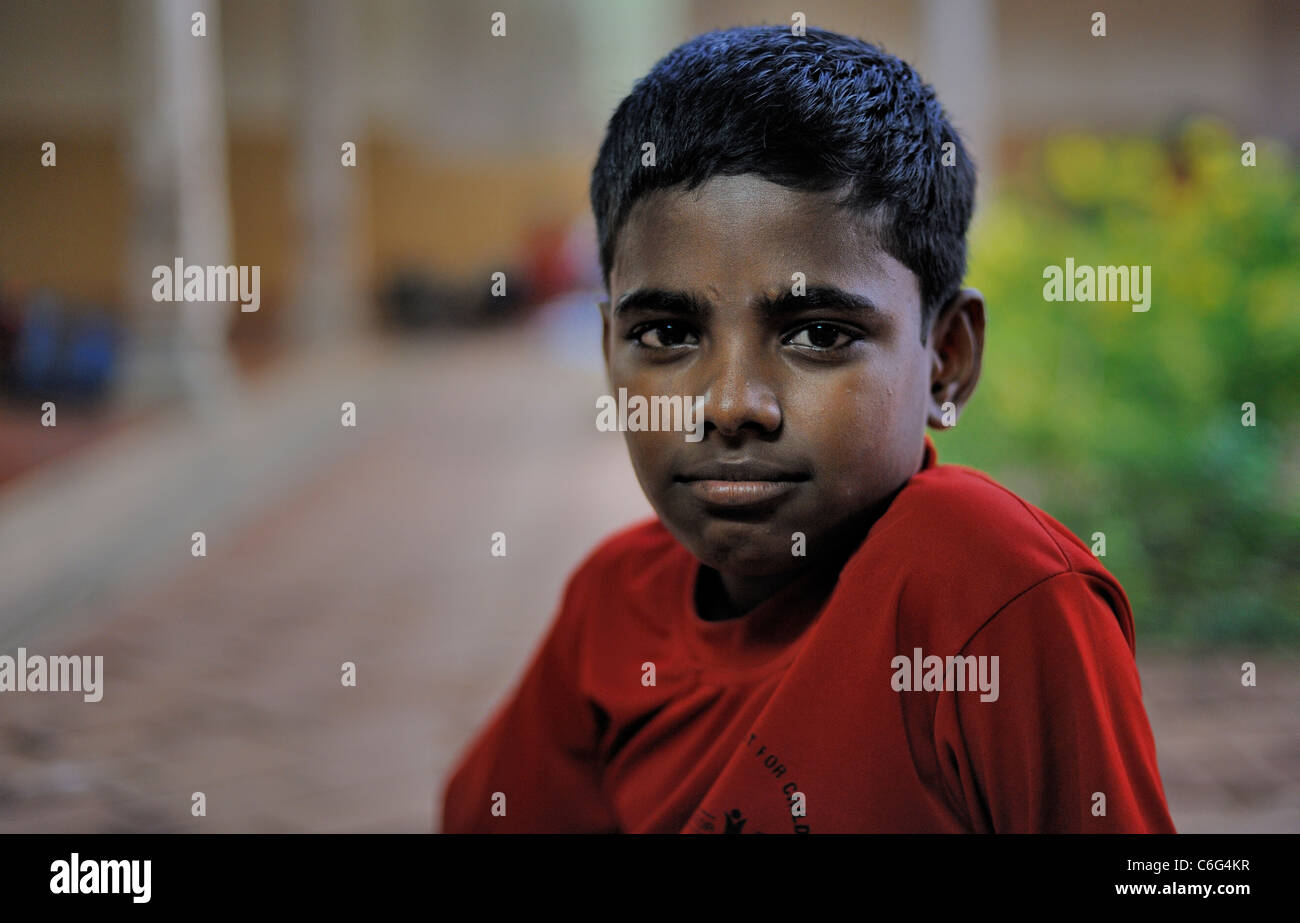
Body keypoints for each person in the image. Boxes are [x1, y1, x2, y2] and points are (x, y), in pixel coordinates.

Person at [441, 25, 1176, 833]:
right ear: (610, 348)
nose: (730, 403)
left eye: (818, 334)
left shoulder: (985, 584)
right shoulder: (616, 601)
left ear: (947, 359)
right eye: (665, 334)